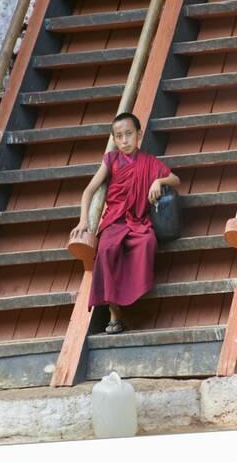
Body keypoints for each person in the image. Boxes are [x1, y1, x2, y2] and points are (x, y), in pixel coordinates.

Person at [69, 112, 180, 334]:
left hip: (138, 220)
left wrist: (158, 180)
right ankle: (114, 313)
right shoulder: (111, 160)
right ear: (114, 139)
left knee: (147, 242)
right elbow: (89, 190)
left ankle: (132, 301)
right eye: (119, 136)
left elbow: (175, 179)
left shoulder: (149, 162)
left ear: (139, 134)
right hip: (114, 221)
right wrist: (84, 220)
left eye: (129, 134)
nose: (124, 140)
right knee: (107, 249)